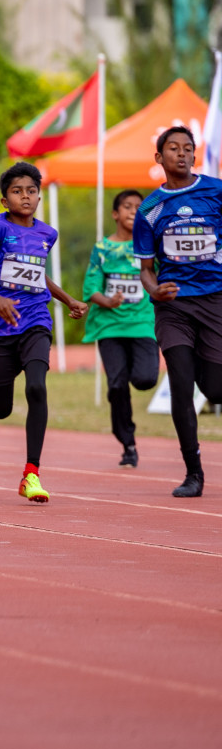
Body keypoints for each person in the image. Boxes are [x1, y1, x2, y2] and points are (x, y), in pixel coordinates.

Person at [0, 162, 88, 503]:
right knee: (1, 408)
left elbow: (36, 273)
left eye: (31, 191)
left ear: (39, 197)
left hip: (35, 321)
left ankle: (32, 473)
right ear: (4, 200)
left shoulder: (47, 234)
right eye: (17, 191)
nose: (25, 197)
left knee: (37, 387)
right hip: (0, 328)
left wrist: (68, 298)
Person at [134, 125, 222, 498]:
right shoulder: (150, 210)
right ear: (159, 158)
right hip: (173, 308)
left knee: (215, 389)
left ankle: (207, 370)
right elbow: (145, 269)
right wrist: (156, 291)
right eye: (174, 148)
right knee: (181, 387)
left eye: (188, 148)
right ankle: (193, 473)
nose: (182, 154)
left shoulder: (216, 192)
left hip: (215, 299)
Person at [82, 189, 159, 468]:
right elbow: (91, 289)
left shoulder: (150, 247)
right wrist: (108, 300)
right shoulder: (103, 249)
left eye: (139, 207)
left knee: (145, 379)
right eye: (127, 206)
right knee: (117, 384)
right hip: (110, 325)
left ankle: (121, 392)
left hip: (142, 324)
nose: (133, 212)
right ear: (115, 213)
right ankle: (128, 443)